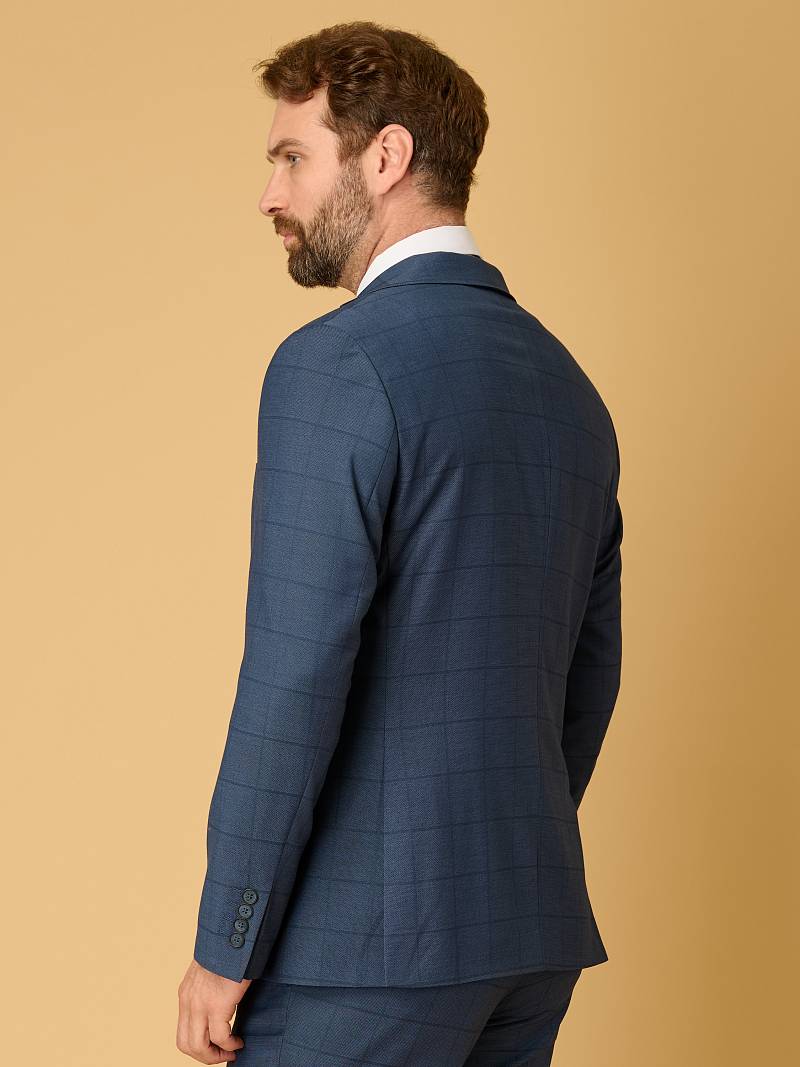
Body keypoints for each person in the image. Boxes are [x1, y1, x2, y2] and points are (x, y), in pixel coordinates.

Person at [176, 19, 623, 1067]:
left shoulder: (335, 365)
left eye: (292, 157)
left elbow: (294, 675)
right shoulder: (567, 388)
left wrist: (225, 942)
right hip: (524, 934)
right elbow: (588, 669)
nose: (270, 194)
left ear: (385, 157)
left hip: (362, 953)